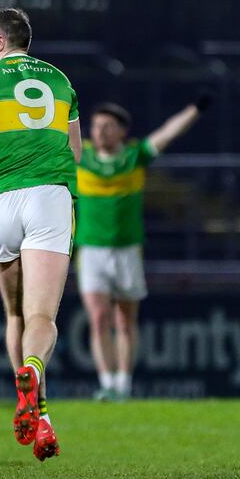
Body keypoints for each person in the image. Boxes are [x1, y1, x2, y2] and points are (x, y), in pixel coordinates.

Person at [0, 7, 81, 462]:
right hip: (49, 196)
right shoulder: (61, 80)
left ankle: (39, 412)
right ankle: (33, 371)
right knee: (42, 316)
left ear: (1, 43)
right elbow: (76, 150)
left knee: (14, 314)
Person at [76, 98, 211, 401]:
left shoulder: (135, 156)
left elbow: (167, 133)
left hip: (127, 250)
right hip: (92, 250)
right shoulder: (80, 156)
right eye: (97, 126)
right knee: (98, 319)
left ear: (122, 131)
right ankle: (106, 382)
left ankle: (123, 383)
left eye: (108, 127)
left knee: (125, 319)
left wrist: (194, 109)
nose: (101, 132)